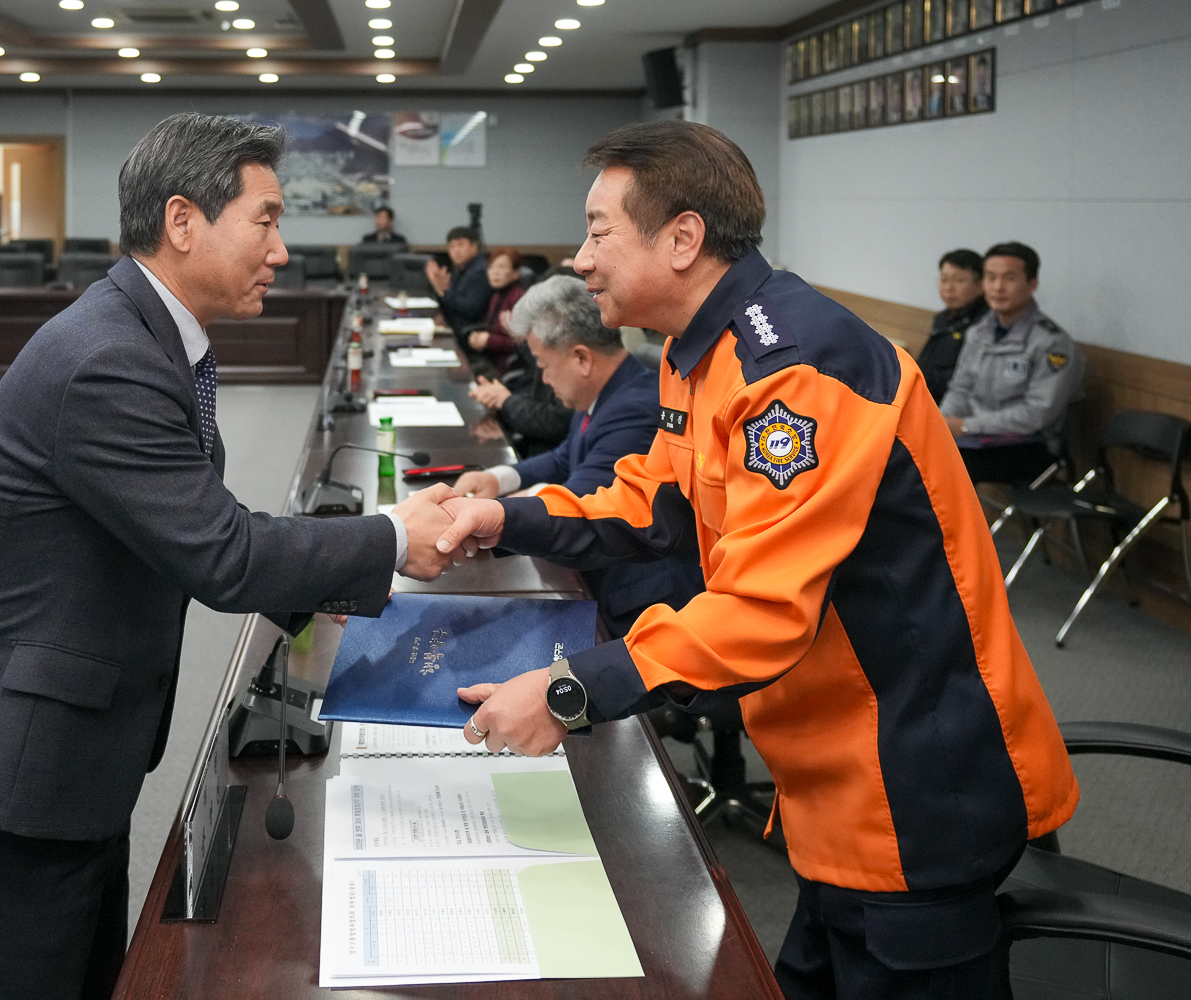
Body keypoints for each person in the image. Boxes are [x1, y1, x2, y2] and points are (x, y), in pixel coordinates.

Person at [425, 120, 1079, 1000]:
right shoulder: (700, 353)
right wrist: (503, 517)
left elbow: (762, 609)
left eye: (598, 232)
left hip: (914, 784)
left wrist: (569, 691)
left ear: (683, 238)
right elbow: (652, 499)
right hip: (831, 784)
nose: (580, 260)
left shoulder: (794, 372)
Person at [0, 113, 469, 1000]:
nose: (281, 250)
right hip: (1, 768)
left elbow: (183, 523)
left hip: (65, 752)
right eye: (266, 220)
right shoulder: (109, 360)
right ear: (183, 221)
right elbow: (221, 553)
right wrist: (390, 539)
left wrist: (334, 589)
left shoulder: (145, 336)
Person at [455, 275, 702, 637]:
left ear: (582, 358)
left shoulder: (635, 410)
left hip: (638, 607)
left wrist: (494, 515)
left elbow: (581, 503)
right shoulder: (604, 389)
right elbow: (564, 458)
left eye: (543, 364)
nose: (544, 378)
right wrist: (497, 478)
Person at [939, 242, 1084, 485]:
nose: (998, 287)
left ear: (1032, 284)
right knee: (909, 448)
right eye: (991, 277)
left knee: (939, 466)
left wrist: (966, 426)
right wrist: (941, 422)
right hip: (976, 437)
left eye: (1009, 278)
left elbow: (1037, 414)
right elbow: (960, 389)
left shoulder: (1052, 343)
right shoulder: (978, 333)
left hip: (1026, 445)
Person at [916, 248, 988, 402]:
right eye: (944, 279)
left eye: (959, 281)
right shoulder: (942, 318)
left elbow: (965, 381)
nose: (949, 288)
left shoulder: (984, 325)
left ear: (981, 285)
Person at [461, 247, 527, 376]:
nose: (495, 273)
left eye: (502, 267)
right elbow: (492, 329)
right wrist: (479, 337)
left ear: (516, 273)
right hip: (491, 360)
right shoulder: (496, 296)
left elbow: (523, 345)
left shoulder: (519, 299)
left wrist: (489, 341)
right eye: (491, 267)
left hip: (507, 367)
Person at [425, 226, 490, 333]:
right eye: (452, 246)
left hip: (470, 332)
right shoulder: (463, 268)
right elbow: (452, 303)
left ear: (474, 247)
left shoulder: (480, 271)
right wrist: (439, 289)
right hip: (458, 327)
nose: (456, 251)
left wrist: (444, 292)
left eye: (461, 245)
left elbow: (470, 310)